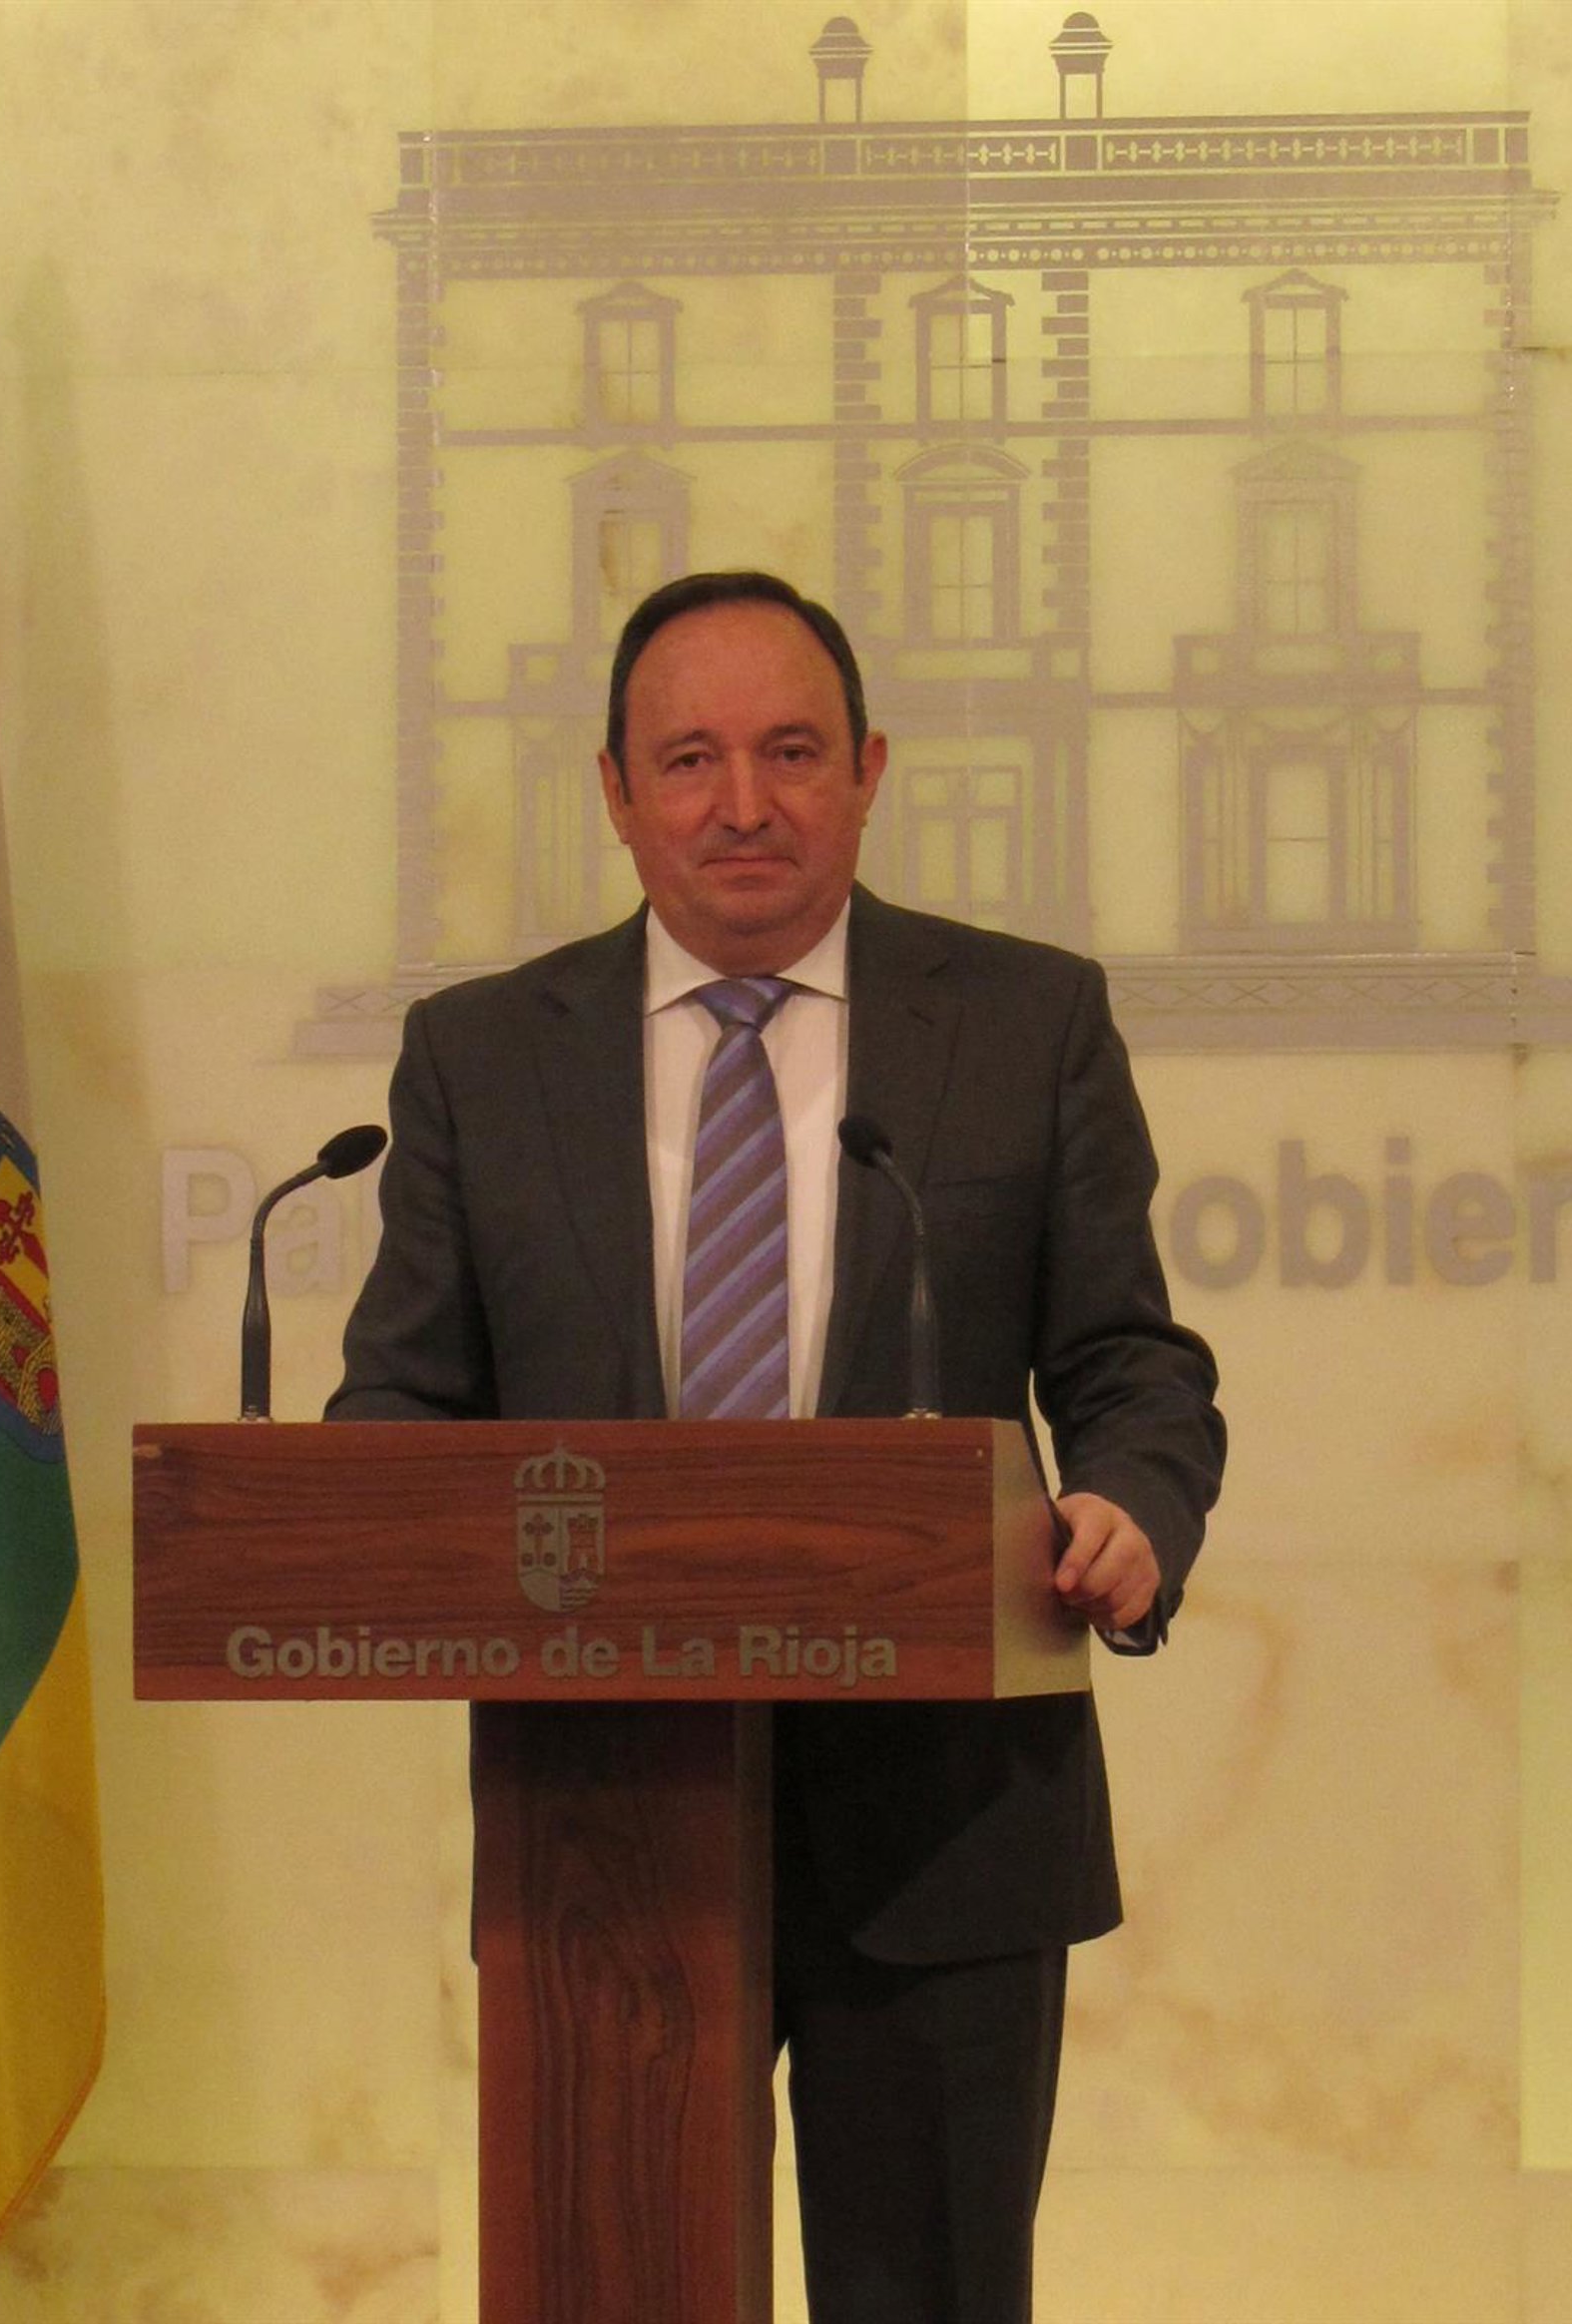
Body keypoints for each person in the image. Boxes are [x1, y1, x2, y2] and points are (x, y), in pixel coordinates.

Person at [329, 570, 1225, 2323]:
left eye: (793, 751)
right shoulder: (481, 1056)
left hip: (952, 1825)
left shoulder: (1027, 1020)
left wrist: (1131, 1498)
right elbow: (400, 1407)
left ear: (870, 770)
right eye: (690, 760)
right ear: (615, 792)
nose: (743, 802)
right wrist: (362, 1528)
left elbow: (1129, 1357)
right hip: (604, 1836)